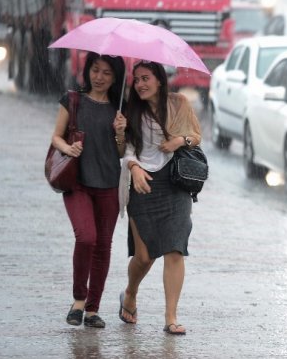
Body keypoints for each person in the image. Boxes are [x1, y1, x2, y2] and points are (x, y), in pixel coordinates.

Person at [118, 61, 202, 336]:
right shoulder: (129, 109)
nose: (140, 84)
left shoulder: (178, 103)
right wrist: (134, 166)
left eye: (146, 78)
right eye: (137, 79)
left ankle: (171, 317)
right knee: (144, 256)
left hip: (175, 182)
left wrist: (179, 141)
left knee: (175, 248)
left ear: (159, 80)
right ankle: (130, 293)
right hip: (142, 182)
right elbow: (125, 150)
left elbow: (196, 136)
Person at [51, 52, 127, 328]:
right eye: (96, 70)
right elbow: (56, 137)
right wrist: (68, 148)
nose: (100, 77)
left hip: (109, 185)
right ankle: (79, 300)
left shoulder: (121, 109)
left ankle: (93, 309)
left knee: (103, 246)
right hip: (78, 182)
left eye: (107, 73)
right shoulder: (73, 100)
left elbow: (121, 152)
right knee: (86, 238)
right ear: (88, 71)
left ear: (115, 77)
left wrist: (120, 132)